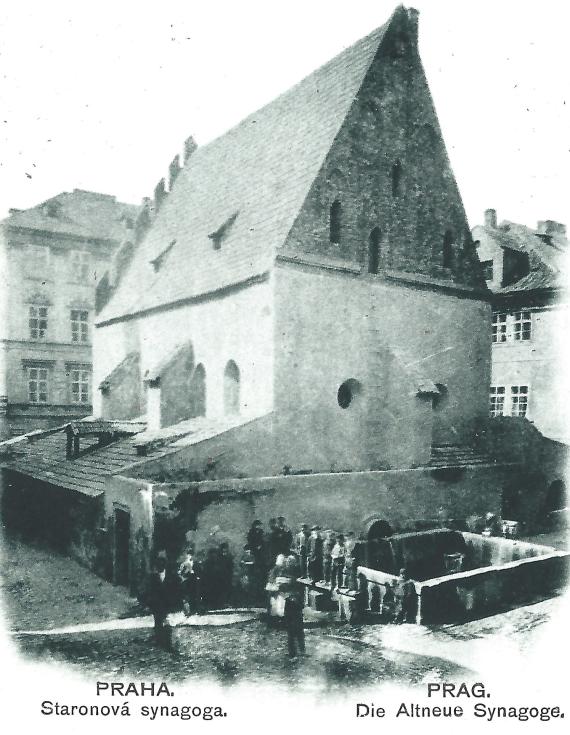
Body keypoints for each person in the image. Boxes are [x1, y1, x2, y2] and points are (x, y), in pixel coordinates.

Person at [147, 557, 179, 649]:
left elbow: (176, 589)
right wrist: (149, 603)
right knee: (158, 622)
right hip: (157, 604)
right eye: (158, 565)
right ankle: (159, 641)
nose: (159, 567)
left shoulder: (172, 576)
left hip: (168, 603)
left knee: (168, 622)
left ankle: (168, 643)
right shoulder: (152, 577)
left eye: (161, 564)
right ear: (156, 566)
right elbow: (149, 591)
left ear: (164, 566)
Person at [283, 582, 306, 660]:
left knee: (298, 636)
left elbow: (301, 607)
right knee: (293, 637)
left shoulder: (295, 598)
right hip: (293, 619)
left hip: (296, 619)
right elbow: (286, 612)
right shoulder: (289, 600)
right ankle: (293, 652)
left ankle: (300, 651)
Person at [178, 546, 201, 616]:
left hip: (194, 582)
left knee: (194, 597)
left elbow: (199, 572)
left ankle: (194, 611)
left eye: (191, 554)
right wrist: (185, 574)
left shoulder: (196, 563)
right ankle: (187, 612)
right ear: (186, 555)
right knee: (186, 598)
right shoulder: (184, 564)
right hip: (186, 582)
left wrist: (196, 576)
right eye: (188, 554)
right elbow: (180, 574)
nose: (190, 556)